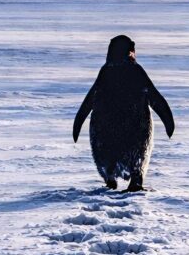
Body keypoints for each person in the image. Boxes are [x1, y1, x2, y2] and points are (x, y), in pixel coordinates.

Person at [72, 34, 174, 192]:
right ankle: (136, 179)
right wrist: (168, 122)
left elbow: (88, 103)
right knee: (136, 155)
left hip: (106, 133)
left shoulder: (106, 73)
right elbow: (156, 98)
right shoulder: (136, 72)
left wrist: (78, 124)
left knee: (107, 154)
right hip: (135, 132)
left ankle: (110, 179)